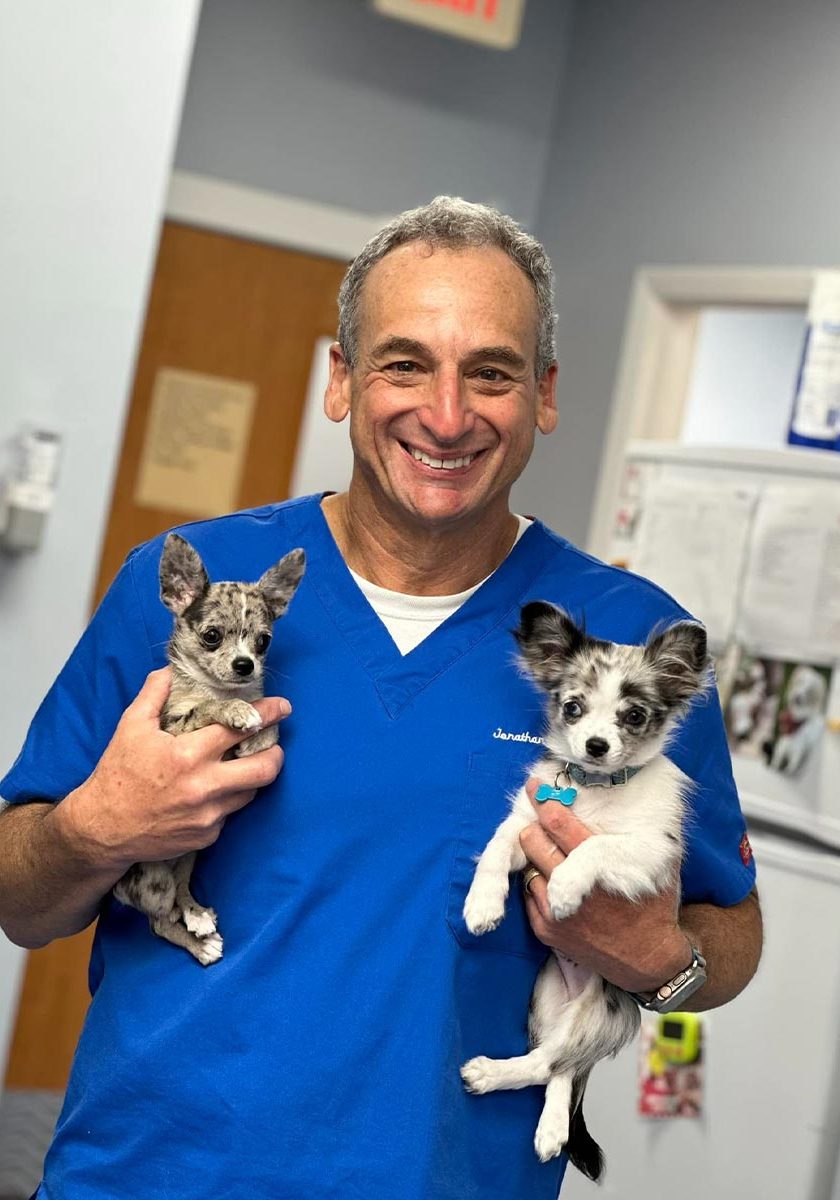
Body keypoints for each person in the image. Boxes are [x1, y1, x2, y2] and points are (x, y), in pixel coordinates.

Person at [0, 197, 761, 1200]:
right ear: (342, 380)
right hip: (142, 1175)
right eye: (404, 364)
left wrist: (662, 961)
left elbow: (732, 935)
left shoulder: (624, 643)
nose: (446, 416)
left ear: (544, 394)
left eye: (490, 372)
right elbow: (20, 896)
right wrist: (99, 828)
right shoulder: (190, 585)